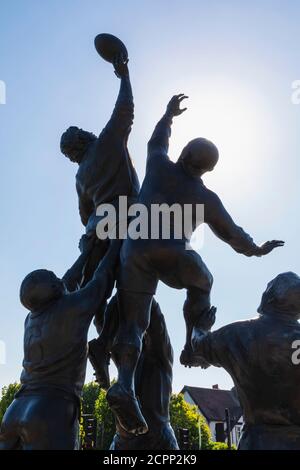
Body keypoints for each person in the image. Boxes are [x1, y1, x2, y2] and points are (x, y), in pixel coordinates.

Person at [107, 94, 284, 434]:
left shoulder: (157, 164)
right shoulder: (205, 197)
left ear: (185, 154)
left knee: (134, 323)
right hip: (174, 254)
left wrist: (168, 115)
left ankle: (124, 383)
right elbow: (233, 235)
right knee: (202, 281)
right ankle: (195, 342)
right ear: (208, 169)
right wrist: (258, 250)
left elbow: (156, 139)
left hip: (135, 251)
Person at [0, 238, 120, 450]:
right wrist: (118, 244)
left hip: (16, 410)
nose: (59, 278)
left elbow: (68, 281)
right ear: (54, 288)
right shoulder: (72, 309)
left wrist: (85, 253)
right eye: (54, 278)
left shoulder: (31, 319)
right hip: (50, 408)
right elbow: (100, 279)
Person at [192, 272, 300, 450]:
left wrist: (201, 328)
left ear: (270, 297)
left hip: (258, 442)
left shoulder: (238, 334)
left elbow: (198, 346)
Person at [109, 297, 178, 450]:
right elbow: (104, 326)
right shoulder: (126, 359)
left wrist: (133, 290)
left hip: (154, 440)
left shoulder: (160, 357)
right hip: (130, 439)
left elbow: (156, 320)